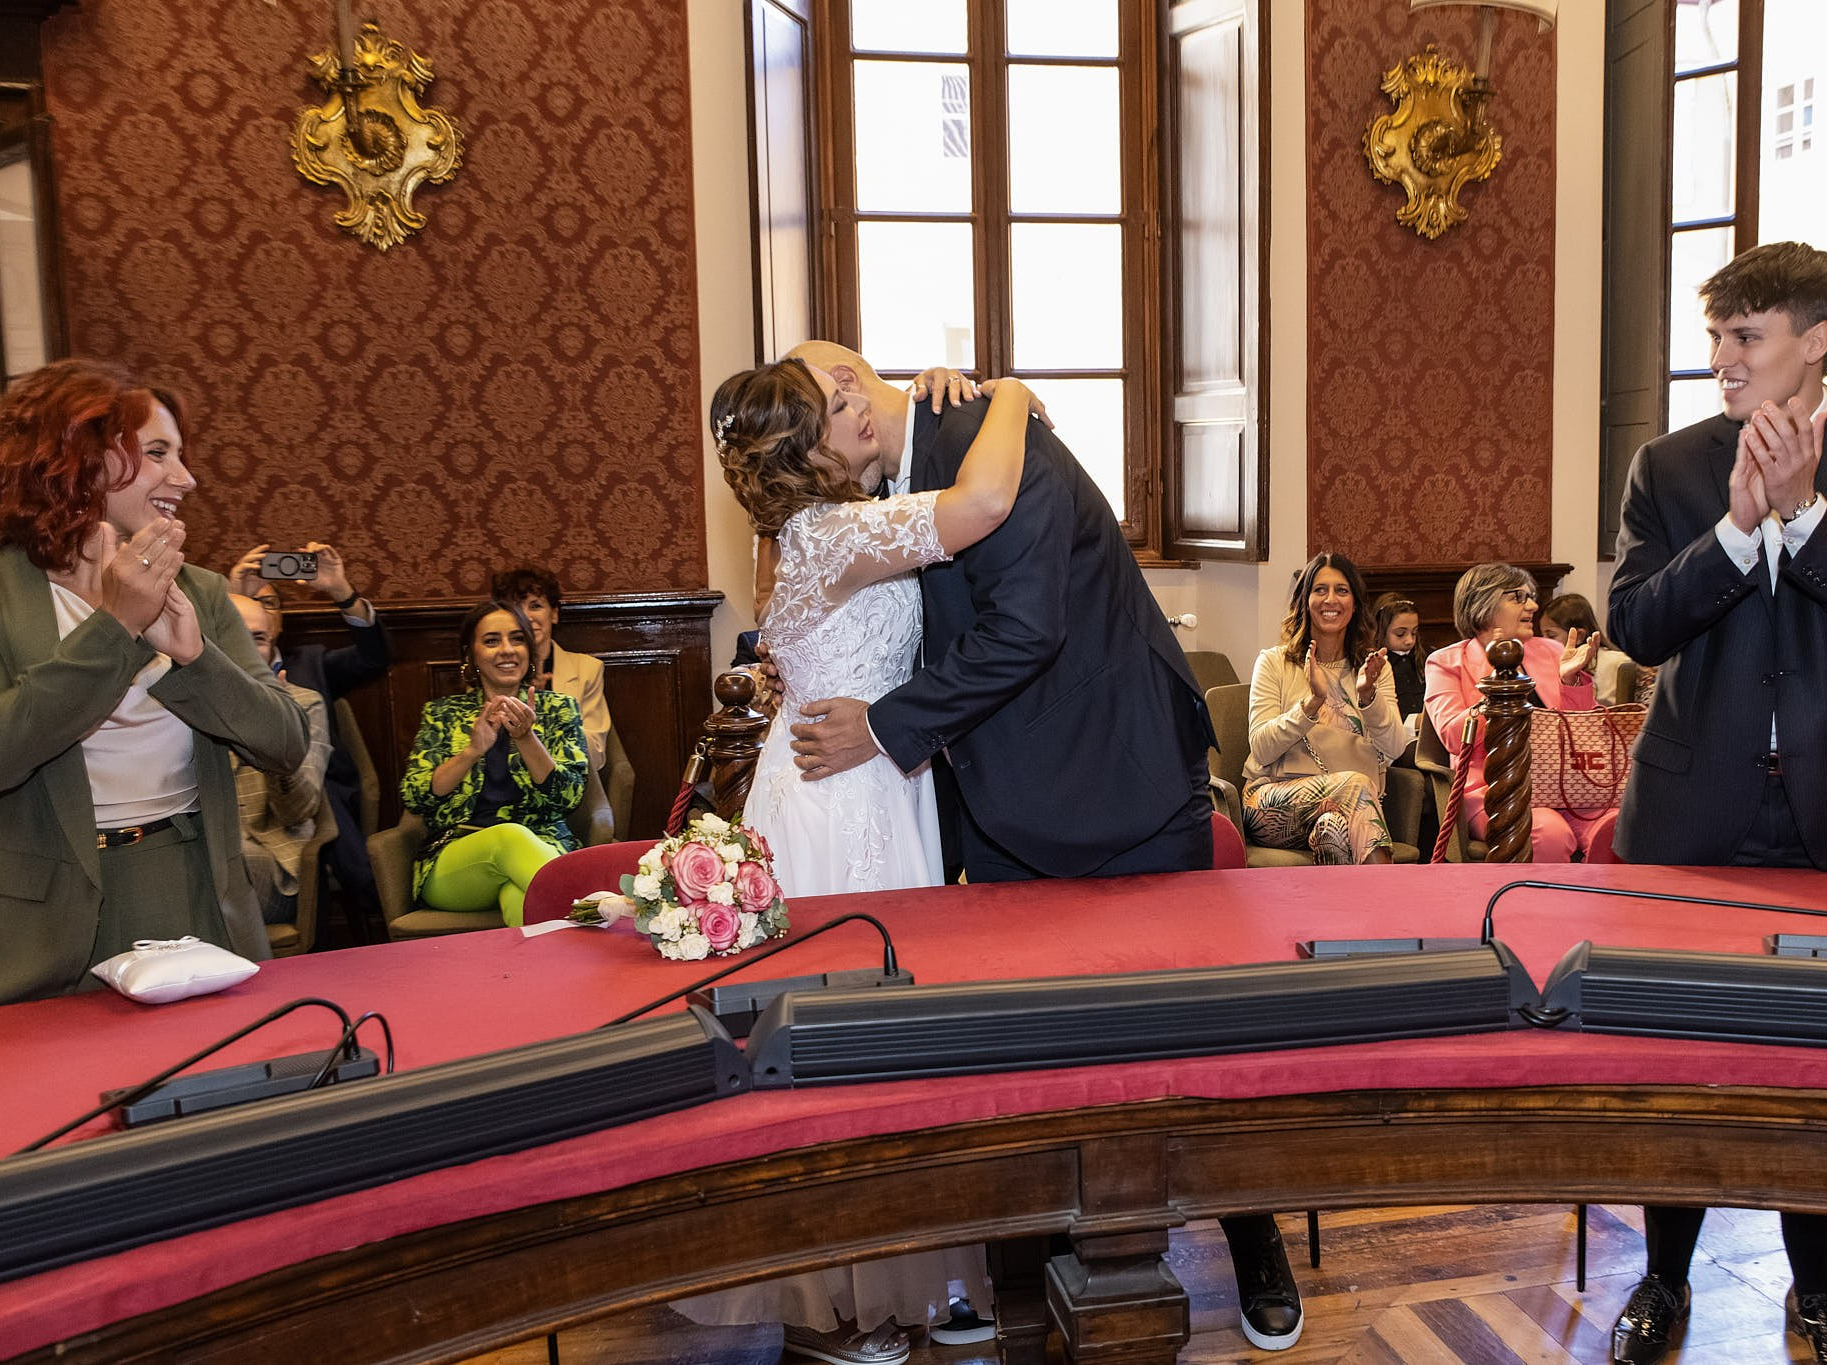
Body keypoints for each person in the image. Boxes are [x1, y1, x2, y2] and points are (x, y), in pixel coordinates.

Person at [780, 341, 1302, 1353]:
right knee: (1041, 1038)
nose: (817, 472)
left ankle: (1252, 1233)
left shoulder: (982, 435)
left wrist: (885, 725)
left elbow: (1024, 627)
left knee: (1190, 1029)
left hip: (1115, 773)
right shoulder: (929, 452)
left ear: (845, 396)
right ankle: (1055, 1249)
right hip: (1003, 798)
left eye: (815, 444)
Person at [1604, 241, 1827, 1365]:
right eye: (1712, 338)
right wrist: (1739, 531)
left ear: (1814, 343)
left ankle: (1811, 1295)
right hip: (1688, 813)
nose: (1719, 362)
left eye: (1741, 338)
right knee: (1678, 1056)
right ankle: (1659, 1280)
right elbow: (1635, 626)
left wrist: (1803, 518)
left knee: (1824, 1065)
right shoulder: (1668, 464)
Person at [684, 356, 1033, 1364]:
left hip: (871, 776)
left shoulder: (817, 527)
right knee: (852, 1052)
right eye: (835, 410)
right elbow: (983, 500)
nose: (860, 416)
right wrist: (1006, 391)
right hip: (839, 809)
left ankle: (911, 1279)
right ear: (802, 449)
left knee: (893, 1044)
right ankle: (847, 1301)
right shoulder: (829, 536)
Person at [0, 359, 309, 1012]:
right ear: (79, 459)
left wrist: (197, 660)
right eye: (159, 453)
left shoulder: (198, 589)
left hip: (191, 891)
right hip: (27, 927)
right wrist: (116, 625)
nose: (187, 478)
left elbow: (284, 743)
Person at [226, 541, 389, 929]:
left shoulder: (309, 668)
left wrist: (341, 591)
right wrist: (230, 596)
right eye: (236, 630)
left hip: (311, 790)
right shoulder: (195, 688)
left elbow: (374, 658)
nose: (248, 645)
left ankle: (371, 901)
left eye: (269, 604)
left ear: (278, 622)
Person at [399, 603, 585, 929]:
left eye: (517, 639)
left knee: (521, 898)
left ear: (529, 648)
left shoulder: (559, 709)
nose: (507, 650)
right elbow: (416, 796)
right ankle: (593, 911)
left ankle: (540, 980)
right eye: (491, 641)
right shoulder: (442, 714)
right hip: (455, 860)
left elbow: (568, 799)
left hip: (542, 848)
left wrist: (527, 738)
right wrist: (471, 751)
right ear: (470, 655)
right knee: (509, 837)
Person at [1422, 563, 1610, 864]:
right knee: (1549, 834)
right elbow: (1454, 737)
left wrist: (1571, 682)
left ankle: (1601, 907)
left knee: (1618, 827)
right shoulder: (1445, 662)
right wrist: (1498, 675)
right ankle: (1537, 911)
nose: (1534, 606)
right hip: (1495, 789)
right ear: (1484, 604)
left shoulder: (1550, 650)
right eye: (1519, 597)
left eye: (1532, 596)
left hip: (1564, 787)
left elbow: (1583, 732)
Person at [1244, 555, 1407, 865]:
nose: (1330, 599)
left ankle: (1340, 913)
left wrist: (1369, 696)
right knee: (1355, 786)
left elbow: (1395, 748)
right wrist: (1312, 704)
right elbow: (1261, 749)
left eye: (1341, 590)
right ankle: (1390, 902)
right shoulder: (1274, 662)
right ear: (1305, 600)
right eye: (1320, 590)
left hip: (1345, 806)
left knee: (1330, 829)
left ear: (1356, 603)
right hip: (1271, 800)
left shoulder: (1373, 669)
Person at [229, 592, 333, 927]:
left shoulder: (302, 704)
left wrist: (276, 736)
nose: (246, 649)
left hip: (271, 865)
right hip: (197, 856)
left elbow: (298, 810)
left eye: (258, 639)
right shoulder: (177, 702)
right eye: (233, 634)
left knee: (229, 859)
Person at [491, 565, 613, 773]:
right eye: (516, 608)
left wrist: (548, 707)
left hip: (570, 785)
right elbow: (486, 746)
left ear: (554, 614)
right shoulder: (490, 668)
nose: (527, 617)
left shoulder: (587, 669)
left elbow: (596, 753)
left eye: (535, 606)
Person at [1537, 592, 1634, 707]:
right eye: (1542, 635)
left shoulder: (1617, 662)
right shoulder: (1546, 666)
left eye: (1551, 636)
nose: (1544, 642)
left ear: (1578, 636)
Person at [1369, 592, 1426, 722]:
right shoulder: (1374, 665)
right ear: (1380, 630)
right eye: (1400, 634)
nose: (1409, 640)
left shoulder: (1427, 658)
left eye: (1414, 632)